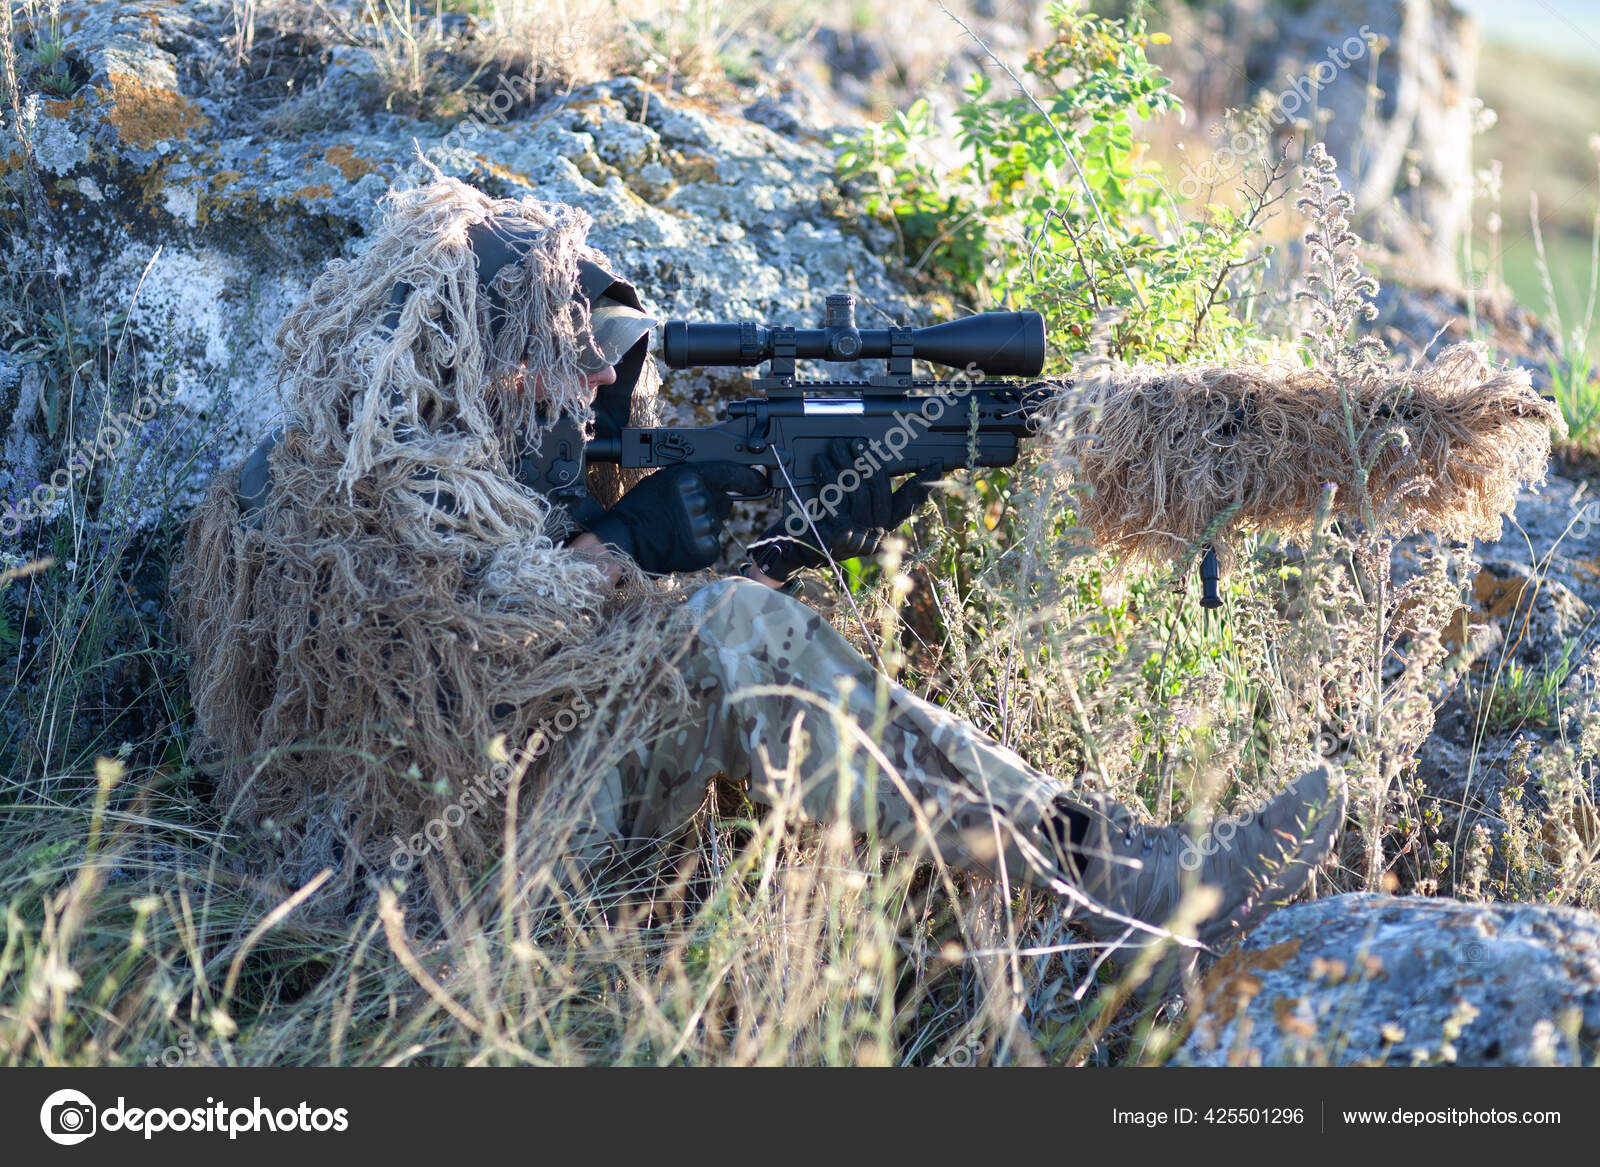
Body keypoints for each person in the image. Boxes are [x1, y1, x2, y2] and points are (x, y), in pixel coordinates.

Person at [173, 176, 1345, 980]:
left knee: (739, 621)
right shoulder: (340, 492)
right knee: (732, 625)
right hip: (441, 917)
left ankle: (1111, 855)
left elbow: (608, 679)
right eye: (568, 360)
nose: (593, 391)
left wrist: (782, 537)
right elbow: (467, 676)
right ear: (492, 353)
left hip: (503, 866)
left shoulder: (417, 470)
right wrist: (639, 554)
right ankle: (1102, 893)